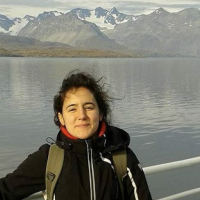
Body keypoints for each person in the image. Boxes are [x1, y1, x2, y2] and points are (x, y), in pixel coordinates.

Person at [0, 71, 152, 200]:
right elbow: (6, 189)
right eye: (72, 109)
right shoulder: (48, 159)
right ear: (61, 118)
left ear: (100, 114)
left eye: (89, 107)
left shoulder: (122, 158)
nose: (82, 115)